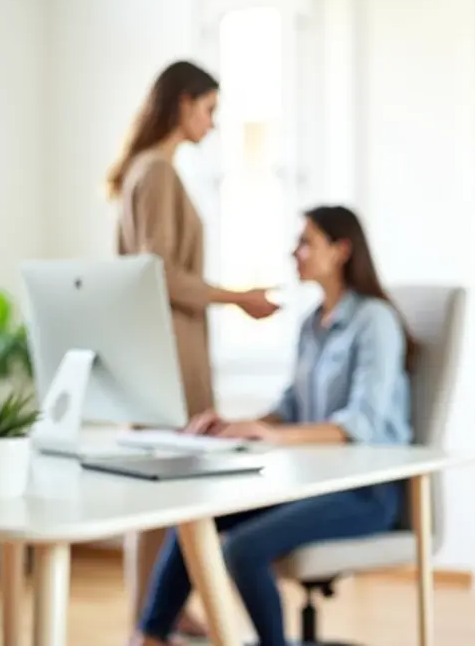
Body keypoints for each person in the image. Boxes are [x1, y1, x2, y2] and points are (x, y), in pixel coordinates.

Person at [127, 205, 418, 646]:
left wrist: (275, 436)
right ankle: (149, 637)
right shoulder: (310, 325)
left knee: (243, 549)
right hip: (312, 484)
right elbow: (290, 404)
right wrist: (240, 424)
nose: (294, 252)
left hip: (367, 493)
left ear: (341, 251)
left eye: (306, 242)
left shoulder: (374, 321)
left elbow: (362, 422)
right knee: (193, 517)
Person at [109, 60, 280, 640]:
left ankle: (152, 613)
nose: (212, 122)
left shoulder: (143, 169)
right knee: (174, 492)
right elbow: (160, 274)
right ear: (183, 103)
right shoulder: (157, 172)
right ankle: (149, 618)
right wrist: (238, 297)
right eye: (209, 109)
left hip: (155, 349)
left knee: (158, 495)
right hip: (168, 354)